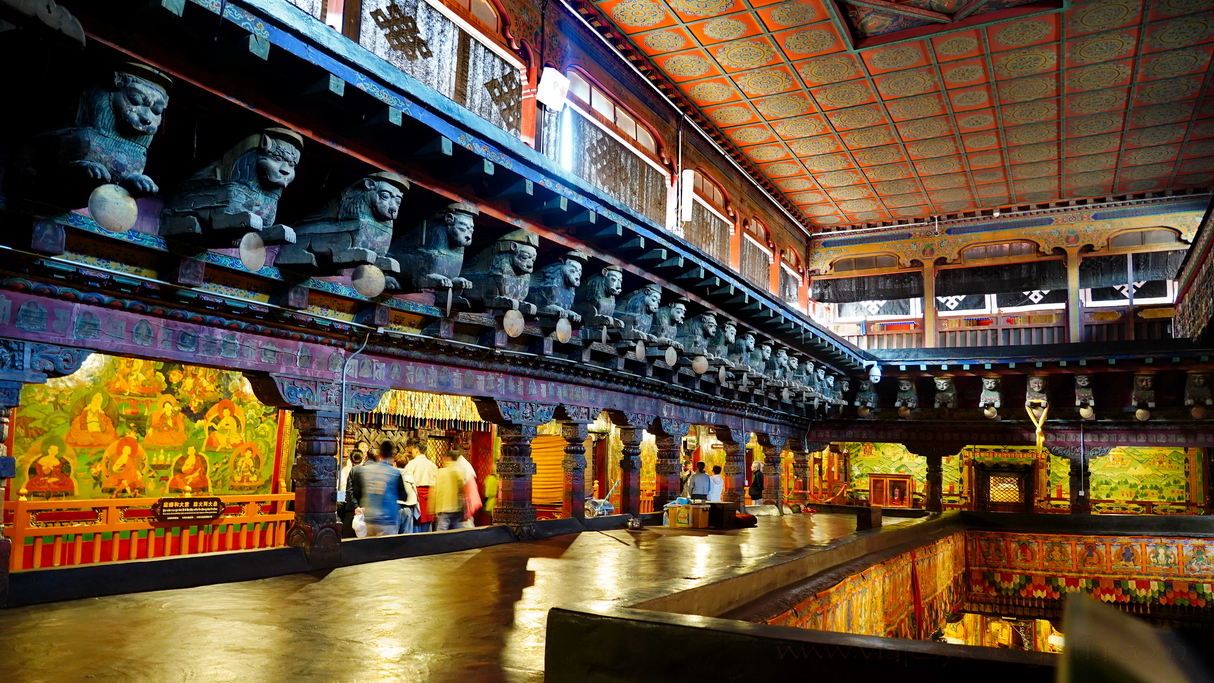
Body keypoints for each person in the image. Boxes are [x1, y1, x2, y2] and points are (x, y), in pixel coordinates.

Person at [348, 441, 407, 538]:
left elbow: (360, 491)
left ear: (379, 454)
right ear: (392, 456)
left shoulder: (366, 470)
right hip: (388, 520)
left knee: (370, 550)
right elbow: (404, 496)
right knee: (386, 550)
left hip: (369, 519)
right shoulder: (394, 473)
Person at [403, 441, 438, 532]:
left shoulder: (412, 464)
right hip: (430, 494)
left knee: (416, 521)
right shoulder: (432, 465)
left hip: (417, 493)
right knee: (427, 522)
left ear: (417, 450)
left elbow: (407, 480)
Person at [433, 451, 465, 531]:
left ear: (448, 458)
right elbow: (462, 489)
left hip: (445, 506)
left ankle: (441, 543)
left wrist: (433, 507)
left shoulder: (441, 472)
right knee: (457, 528)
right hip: (457, 506)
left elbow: (435, 490)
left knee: (442, 529)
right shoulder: (459, 471)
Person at [338, 449, 363, 538]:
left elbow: (348, 490)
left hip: (350, 507)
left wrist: (354, 505)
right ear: (363, 458)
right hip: (361, 508)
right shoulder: (362, 470)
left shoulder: (348, 470)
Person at [394, 452, 418, 534]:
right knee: (406, 537)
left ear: (395, 463)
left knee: (393, 536)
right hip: (408, 508)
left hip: (395, 508)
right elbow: (415, 492)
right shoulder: (410, 476)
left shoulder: (392, 475)